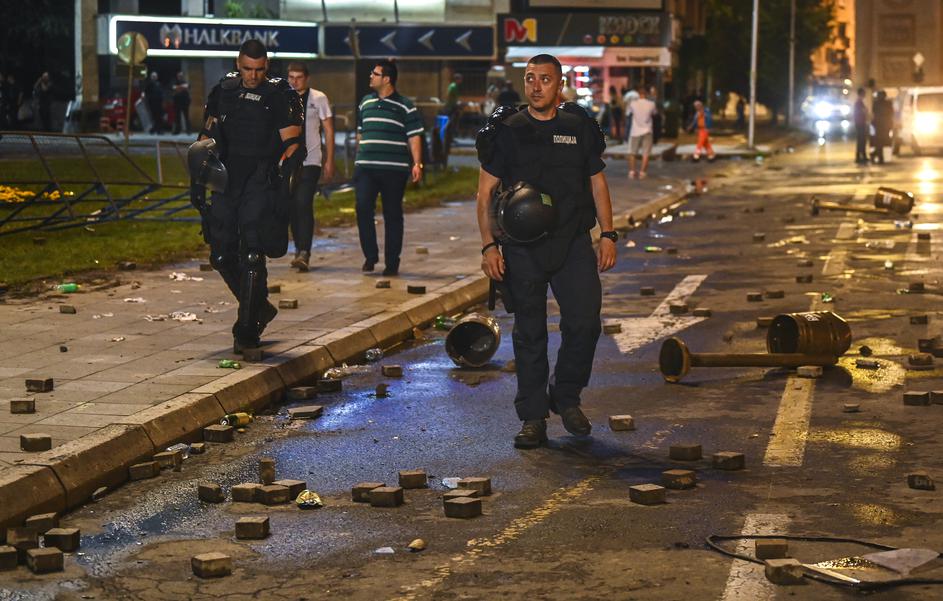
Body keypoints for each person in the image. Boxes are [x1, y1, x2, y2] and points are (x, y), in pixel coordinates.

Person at [475, 53, 617, 449]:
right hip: (522, 249)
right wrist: (488, 245)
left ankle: (566, 396)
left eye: (545, 80)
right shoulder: (506, 129)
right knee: (530, 334)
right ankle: (533, 417)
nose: (536, 87)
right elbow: (485, 192)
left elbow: (598, 184)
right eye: (530, 78)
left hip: (572, 243)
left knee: (585, 323)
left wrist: (608, 234)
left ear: (560, 84)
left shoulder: (578, 126)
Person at [197, 39, 304, 352]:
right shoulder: (223, 91)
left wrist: (285, 191)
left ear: (266, 66)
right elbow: (206, 137)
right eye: (247, 68)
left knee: (253, 253)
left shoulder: (280, 94)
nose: (253, 75)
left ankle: (246, 331)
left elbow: (293, 147)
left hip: (261, 178)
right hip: (226, 179)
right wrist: (198, 177)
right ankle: (260, 307)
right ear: (237, 63)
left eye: (259, 69)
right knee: (220, 255)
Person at [354, 59, 424, 276]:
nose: (370, 77)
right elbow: (360, 132)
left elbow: (414, 137)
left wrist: (417, 163)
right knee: (363, 207)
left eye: (374, 74)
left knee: (392, 214)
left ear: (386, 79)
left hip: (394, 169)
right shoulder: (365, 102)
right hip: (366, 167)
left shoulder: (405, 105)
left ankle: (392, 262)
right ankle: (370, 255)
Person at [286, 62, 335, 272]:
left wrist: (329, 160)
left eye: (298, 77)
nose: (294, 81)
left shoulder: (318, 98)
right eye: (291, 77)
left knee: (303, 201)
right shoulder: (283, 97)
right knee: (290, 206)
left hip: (311, 159)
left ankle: (304, 251)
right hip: (287, 161)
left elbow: (329, 130)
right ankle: (298, 249)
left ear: (306, 78)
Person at [627, 87, 656, 179]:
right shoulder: (651, 104)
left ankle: (632, 172)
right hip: (647, 130)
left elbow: (627, 114)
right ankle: (642, 173)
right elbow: (655, 113)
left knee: (632, 152)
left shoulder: (632, 103)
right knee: (646, 153)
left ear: (638, 94)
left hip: (635, 131)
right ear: (646, 94)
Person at [871, 90, 892, 165]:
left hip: (882, 125)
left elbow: (890, 114)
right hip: (880, 125)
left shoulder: (885, 103)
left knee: (882, 141)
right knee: (880, 141)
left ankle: (875, 155)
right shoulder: (878, 103)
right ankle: (880, 157)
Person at [853, 87, 869, 165]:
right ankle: (860, 157)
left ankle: (861, 156)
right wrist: (866, 111)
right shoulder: (859, 103)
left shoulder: (859, 102)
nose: (865, 95)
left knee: (861, 140)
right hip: (860, 123)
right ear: (861, 94)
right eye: (864, 93)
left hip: (860, 123)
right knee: (861, 140)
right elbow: (862, 112)